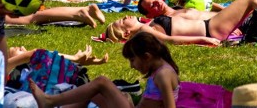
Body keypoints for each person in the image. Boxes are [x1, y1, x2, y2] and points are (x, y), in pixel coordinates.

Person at [29, 32, 180, 108]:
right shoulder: (160, 71)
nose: (132, 66)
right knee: (92, 93)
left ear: (147, 56)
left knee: (102, 82)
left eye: (133, 60)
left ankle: (49, 101)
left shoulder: (163, 75)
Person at [107, 0, 257, 45]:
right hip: (210, 29)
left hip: (212, 25)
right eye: (122, 21)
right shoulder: (145, 29)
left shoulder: (149, 25)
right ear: (126, 33)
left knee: (253, 4)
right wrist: (203, 39)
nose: (126, 16)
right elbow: (170, 40)